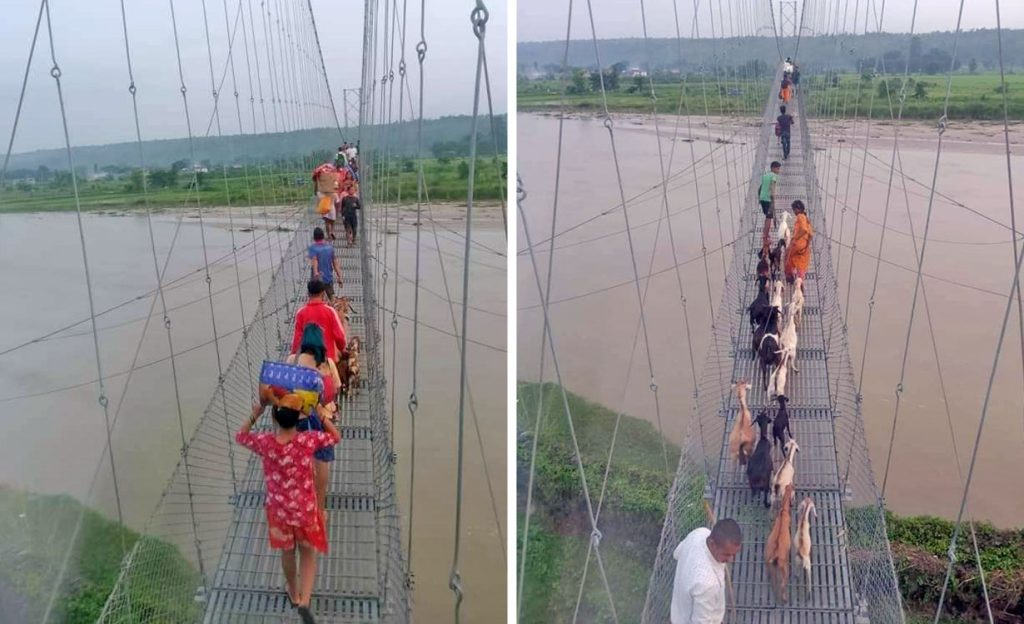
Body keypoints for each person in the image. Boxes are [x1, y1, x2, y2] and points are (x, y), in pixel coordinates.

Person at [238, 392, 340, 623]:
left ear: (275, 417)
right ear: (298, 419)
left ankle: (293, 594)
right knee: (307, 552)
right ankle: (305, 601)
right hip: (304, 510)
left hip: (279, 512)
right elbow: (336, 437)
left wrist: (255, 414)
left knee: (287, 552)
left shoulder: (265, 443)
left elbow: (240, 436)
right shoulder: (308, 440)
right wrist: (318, 415)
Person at [285, 324, 341, 526]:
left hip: (294, 419)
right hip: (317, 418)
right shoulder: (325, 364)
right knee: (322, 459)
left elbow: (284, 388)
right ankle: (319, 509)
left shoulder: (292, 360)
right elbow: (333, 391)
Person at [670, 519, 743, 623]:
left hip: (679, 613)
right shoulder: (707, 585)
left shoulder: (700, 533)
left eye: (734, 554)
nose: (731, 560)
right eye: (726, 554)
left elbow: (677, 554)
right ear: (712, 544)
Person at [291, 279, 347, 364]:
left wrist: (294, 356)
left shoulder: (300, 313)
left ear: (308, 294)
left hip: (307, 361)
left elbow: (297, 339)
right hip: (327, 360)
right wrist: (342, 349)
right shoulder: (330, 311)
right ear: (323, 294)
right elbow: (340, 337)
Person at [784, 199, 813, 292]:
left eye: (794, 210)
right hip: (805, 246)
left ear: (798, 209)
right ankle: (800, 283)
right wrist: (806, 244)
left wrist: (795, 238)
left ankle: (790, 276)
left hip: (798, 244)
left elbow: (803, 229)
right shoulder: (807, 219)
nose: (794, 212)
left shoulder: (800, 216)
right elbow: (810, 234)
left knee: (788, 256)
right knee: (801, 263)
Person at [308, 227, 342, 298]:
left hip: (317, 280)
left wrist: (315, 273)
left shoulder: (312, 248)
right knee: (331, 298)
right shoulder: (330, 247)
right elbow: (335, 263)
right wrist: (339, 276)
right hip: (328, 278)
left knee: (316, 298)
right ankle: (331, 308)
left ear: (314, 238)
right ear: (323, 236)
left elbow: (315, 260)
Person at [312, 162, 339, 240]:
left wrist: (316, 182)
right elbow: (337, 200)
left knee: (326, 222)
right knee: (333, 221)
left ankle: (329, 236)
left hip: (324, 207)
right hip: (332, 207)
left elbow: (315, 192)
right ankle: (332, 231)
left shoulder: (321, 193)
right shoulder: (333, 192)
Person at [759, 161, 781, 250]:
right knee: (769, 218)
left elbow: (761, 187)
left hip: (762, 198)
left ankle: (765, 233)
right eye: (778, 168)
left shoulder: (765, 175)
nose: (779, 171)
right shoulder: (774, 176)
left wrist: (759, 198)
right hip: (768, 199)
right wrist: (773, 198)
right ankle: (766, 236)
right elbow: (773, 187)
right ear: (773, 168)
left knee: (767, 217)